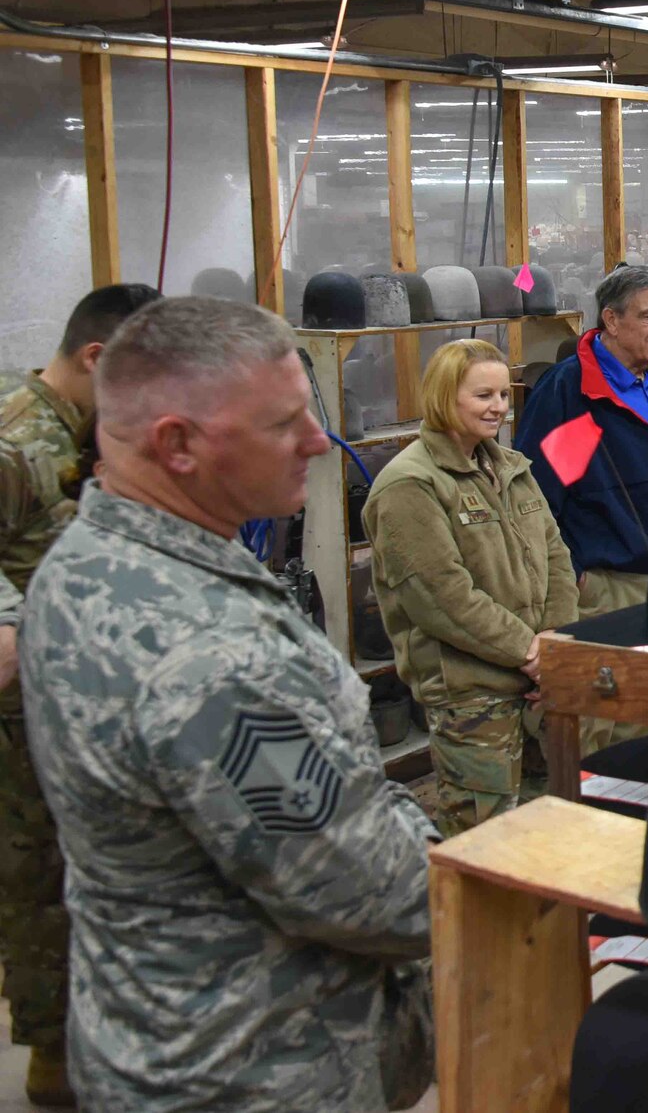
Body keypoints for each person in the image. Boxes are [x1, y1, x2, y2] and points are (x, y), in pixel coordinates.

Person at [20, 298, 434, 1113]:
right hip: (261, 1070)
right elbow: (364, 887)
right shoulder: (206, 651)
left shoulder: (89, 561)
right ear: (176, 444)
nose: (318, 443)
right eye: (284, 425)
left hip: (148, 1038)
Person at [0, 282, 157, 1107]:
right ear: (97, 359)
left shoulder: (87, 432)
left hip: (94, 700)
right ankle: (54, 1055)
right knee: (41, 881)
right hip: (29, 711)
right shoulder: (16, 441)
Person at [365, 339, 580, 836]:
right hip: (472, 695)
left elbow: (556, 556)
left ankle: (540, 918)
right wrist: (529, 650)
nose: (500, 408)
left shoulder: (511, 467)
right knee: (486, 836)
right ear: (445, 397)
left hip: (539, 684)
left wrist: (555, 645)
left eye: (504, 395)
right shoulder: (410, 485)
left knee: (546, 824)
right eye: (483, 396)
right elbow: (439, 595)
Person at [516, 265, 648, 619]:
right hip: (611, 587)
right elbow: (540, 497)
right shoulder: (579, 393)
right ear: (611, 320)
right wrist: (576, 576)